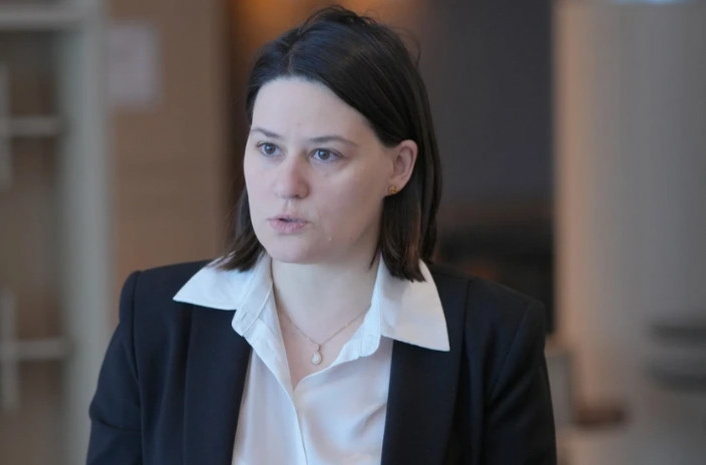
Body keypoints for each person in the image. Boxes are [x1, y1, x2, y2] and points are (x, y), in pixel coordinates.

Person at [87, 6, 556, 465]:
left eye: (324, 155)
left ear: (399, 167)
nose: (287, 185)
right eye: (268, 148)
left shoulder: (494, 339)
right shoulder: (155, 321)